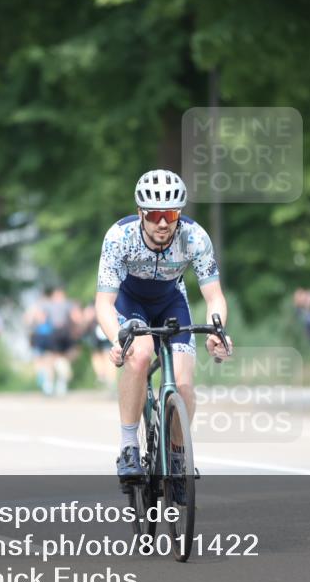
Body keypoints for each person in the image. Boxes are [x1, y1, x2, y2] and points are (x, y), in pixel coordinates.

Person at [95, 169, 232, 484]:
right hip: (130, 303)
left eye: (169, 214)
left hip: (171, 301)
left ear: (179, 214)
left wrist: (217, 332)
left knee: (183, 387)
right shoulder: (119, 237)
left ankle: (177, 456)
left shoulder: (195, 238)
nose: (162, 222)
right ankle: (129, 447)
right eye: (154, 213)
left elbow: (215, 297)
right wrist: (118, 339)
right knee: (140, 356)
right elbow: (103, 303)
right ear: (141, 212)